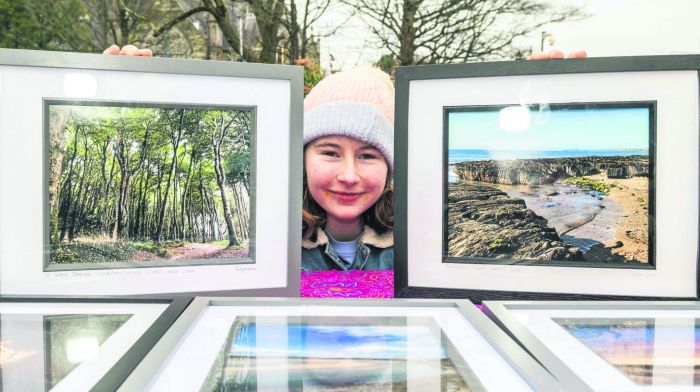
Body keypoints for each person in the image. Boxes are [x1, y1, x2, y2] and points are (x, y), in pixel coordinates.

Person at [103, 45, 587, 272]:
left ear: (393, 165)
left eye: (370, 156)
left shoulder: (426, 250)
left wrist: (547, 99)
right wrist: (133, 93)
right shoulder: (266, 249)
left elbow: (493, 312)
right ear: (302, 157)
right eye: (330, 152)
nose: (349, 175)